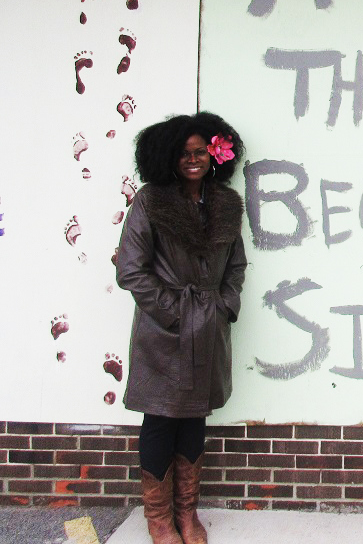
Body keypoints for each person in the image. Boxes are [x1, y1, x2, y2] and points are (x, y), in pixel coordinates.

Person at [116, 112, 247, 544]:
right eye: (184, 153)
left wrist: (225, 303)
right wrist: (174, 311)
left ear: (215, 155)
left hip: (208, 326)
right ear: (168, 158)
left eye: (200, 152)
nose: (193, 160)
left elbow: (236, 265)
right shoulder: (150, 202)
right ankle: (158, 520)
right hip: (163, 331)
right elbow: (131, 271)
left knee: (194, 420)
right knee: (160, 419)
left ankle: (187, 516)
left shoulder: (225, 204)